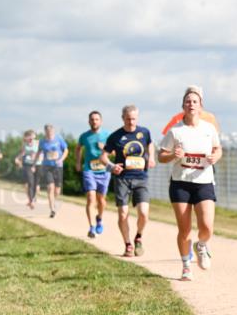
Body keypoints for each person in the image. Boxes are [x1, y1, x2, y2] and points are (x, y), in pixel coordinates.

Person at [158, 86, 222, 281]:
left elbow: (218, 149)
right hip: (181, 183)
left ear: (200, 106)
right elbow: (161, 156)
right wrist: (172, 155)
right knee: (184, 229)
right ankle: (186, 264)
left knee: (207, 227)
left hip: (204, 182)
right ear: (183, 106)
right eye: (188, 101)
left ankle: (201, 245)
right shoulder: (175, 131)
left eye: (195, 101)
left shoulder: (208, 129)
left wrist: (214, 157)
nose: (191, 104)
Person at [101, 105, 155, 257]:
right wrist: (111, 167)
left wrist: (151, 157)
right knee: (123, 213)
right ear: (123, 118)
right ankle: (128, 244)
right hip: (122, 179)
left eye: (134, 119)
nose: (131, 122)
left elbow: (150, 144)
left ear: (137, 118)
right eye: (128, 119)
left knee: (144, 213)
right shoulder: (115, 136)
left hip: (141, 178)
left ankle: (138, 237)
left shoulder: (144, 132)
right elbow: (103, 157)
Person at [76, 111, 111, 239]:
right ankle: (91, 227)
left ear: (100, 121)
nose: (94, 121)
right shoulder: (84, 136)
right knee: (91, 197)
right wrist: (78, 162)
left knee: (101, 200)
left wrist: (105, 149)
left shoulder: (107, 135)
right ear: (89, 121)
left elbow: (113, 152)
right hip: (89, 170)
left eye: (97, 119)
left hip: (104, 170)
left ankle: (99, 218)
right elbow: (78, 148)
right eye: (92, 119)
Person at [35, 124, 68, 218]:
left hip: (58, 167)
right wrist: (34, 163)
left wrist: (61, 159)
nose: (49, 133)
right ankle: (52, 209)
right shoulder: (42, 141)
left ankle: (53, 200)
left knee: (57, 190)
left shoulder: (59, 138)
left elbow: (66, 150)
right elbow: (39, 152)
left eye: (50, 131)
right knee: (50, 187)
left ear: (53, 131)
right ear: (45, 131)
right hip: (47, 166)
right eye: (47, 131)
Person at [15, 130, 40, 209]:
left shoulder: (38, 143)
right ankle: (31, 201)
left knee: (36, 184)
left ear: (34, 136)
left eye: (32, 136)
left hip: (38, 164)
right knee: (30, 182)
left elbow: (42, 152)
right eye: (28, 136)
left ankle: (34, 197)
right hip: (27, 164)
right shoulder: (24, 144)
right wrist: (17, 158)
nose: (30, 137)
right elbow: (22, 153)